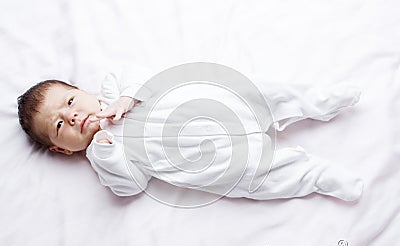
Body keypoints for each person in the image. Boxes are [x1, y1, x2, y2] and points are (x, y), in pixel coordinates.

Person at [17, 65, 363, 201]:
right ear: (62, 150)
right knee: (256, 177)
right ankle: (318, 176)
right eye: (59, 125)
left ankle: (319, 101)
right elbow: (131, 185)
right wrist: (107, 151)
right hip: (208, 161)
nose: (74, 115)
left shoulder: (114, 88)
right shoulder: (101, 156)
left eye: (71, 101)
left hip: (209, 109)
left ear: (81, 89)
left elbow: (145, 76)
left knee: (263, 92)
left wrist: (126, 97)